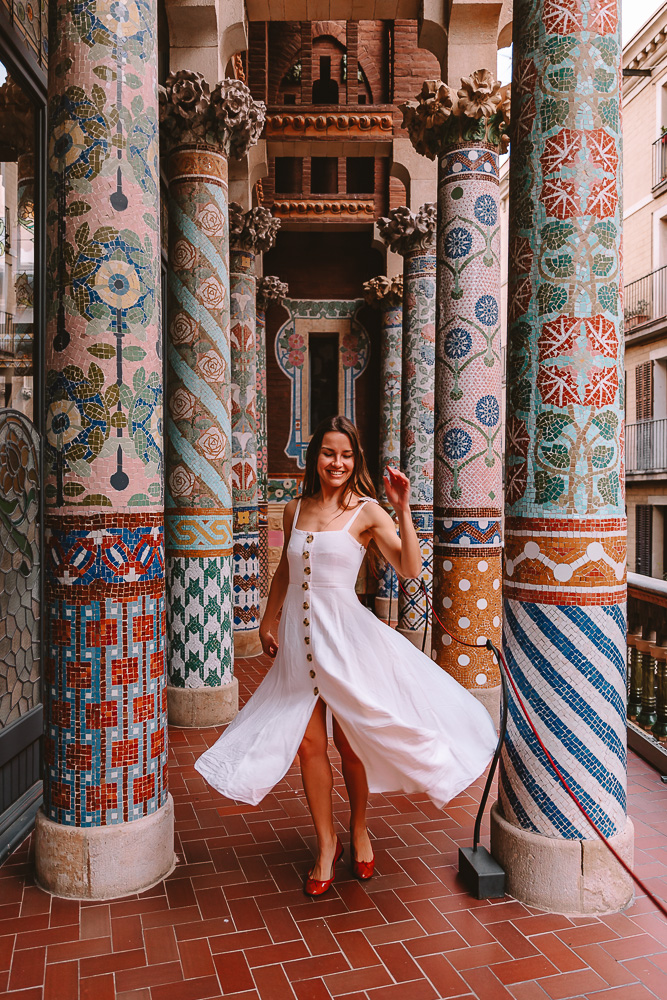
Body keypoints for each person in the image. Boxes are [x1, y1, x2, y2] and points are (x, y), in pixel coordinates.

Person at [195, 415, 497, 896]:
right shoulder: (295, 509)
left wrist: (401, 508)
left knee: (352, 745)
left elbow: (411, 568)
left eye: (346, 454)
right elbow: (283, 575)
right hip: (300, 642)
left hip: (347, 642)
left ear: (356, 460)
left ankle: (358, 829)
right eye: (329, 452)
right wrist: (267, 621)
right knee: (308, 746)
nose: (337, 462)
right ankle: (325, 842)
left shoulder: (369, 511)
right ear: (315, 456)